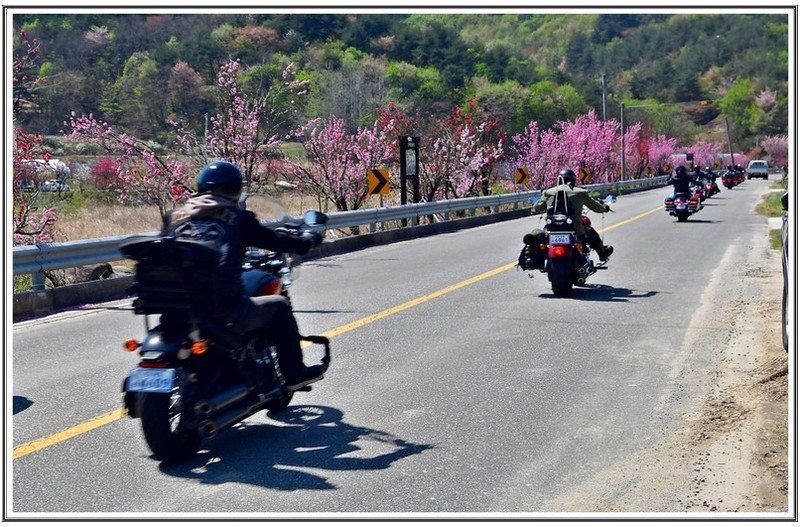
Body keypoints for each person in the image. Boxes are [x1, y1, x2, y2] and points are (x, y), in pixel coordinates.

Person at [161, 160, 325, 391]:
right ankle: (295, 374)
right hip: (222, 310)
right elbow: (274, 241)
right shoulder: (238, 219)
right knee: (279, 306)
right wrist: (306, 241)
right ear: (235, 190)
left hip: (174, 311)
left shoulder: (174, 217)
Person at [524, 168, 613, 264]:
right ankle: (602, 254)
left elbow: (536, 208)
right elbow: (596, 208)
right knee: (591, 232)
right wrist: (604, 208)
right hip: (576, 230)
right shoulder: (580, 192)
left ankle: (530, 259)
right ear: (573, 180)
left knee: (538, 235)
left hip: (552, 229)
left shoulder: (548, 192)